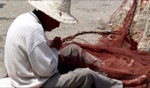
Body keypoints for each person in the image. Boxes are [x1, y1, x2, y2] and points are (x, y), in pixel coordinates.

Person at [4, 0, 149, 88]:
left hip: (27, 74)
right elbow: (46, 71)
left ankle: (108, 73)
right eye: (57, 20)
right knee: (86, 75)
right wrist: (54, 49)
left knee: (73, 50)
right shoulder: (33, 29)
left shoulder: (25, 19)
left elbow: (32, 51)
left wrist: (50, 48)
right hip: (34, 84)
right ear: (48, 16)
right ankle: (122, 85)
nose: (58, 25)